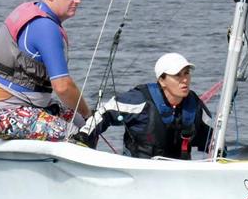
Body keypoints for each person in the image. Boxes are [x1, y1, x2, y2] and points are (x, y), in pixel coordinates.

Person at [0, 0, 91, 141]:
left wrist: (85, 119)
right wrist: (89, 114)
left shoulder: (33, 10)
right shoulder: (45, 27)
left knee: (84, 125)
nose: (78, 1)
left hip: (29, 105)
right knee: (80, 135)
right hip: (6, 115)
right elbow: (62, 87)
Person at [74, 53, 213, 159]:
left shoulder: (194, 106)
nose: (185, 80)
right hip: (138, 169)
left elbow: (211, 138)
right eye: (177, 75)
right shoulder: (140, 100)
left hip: (177, 174)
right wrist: (84, 137)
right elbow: (106, 111)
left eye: (187, 73)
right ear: (162, 80)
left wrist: (218, 154)